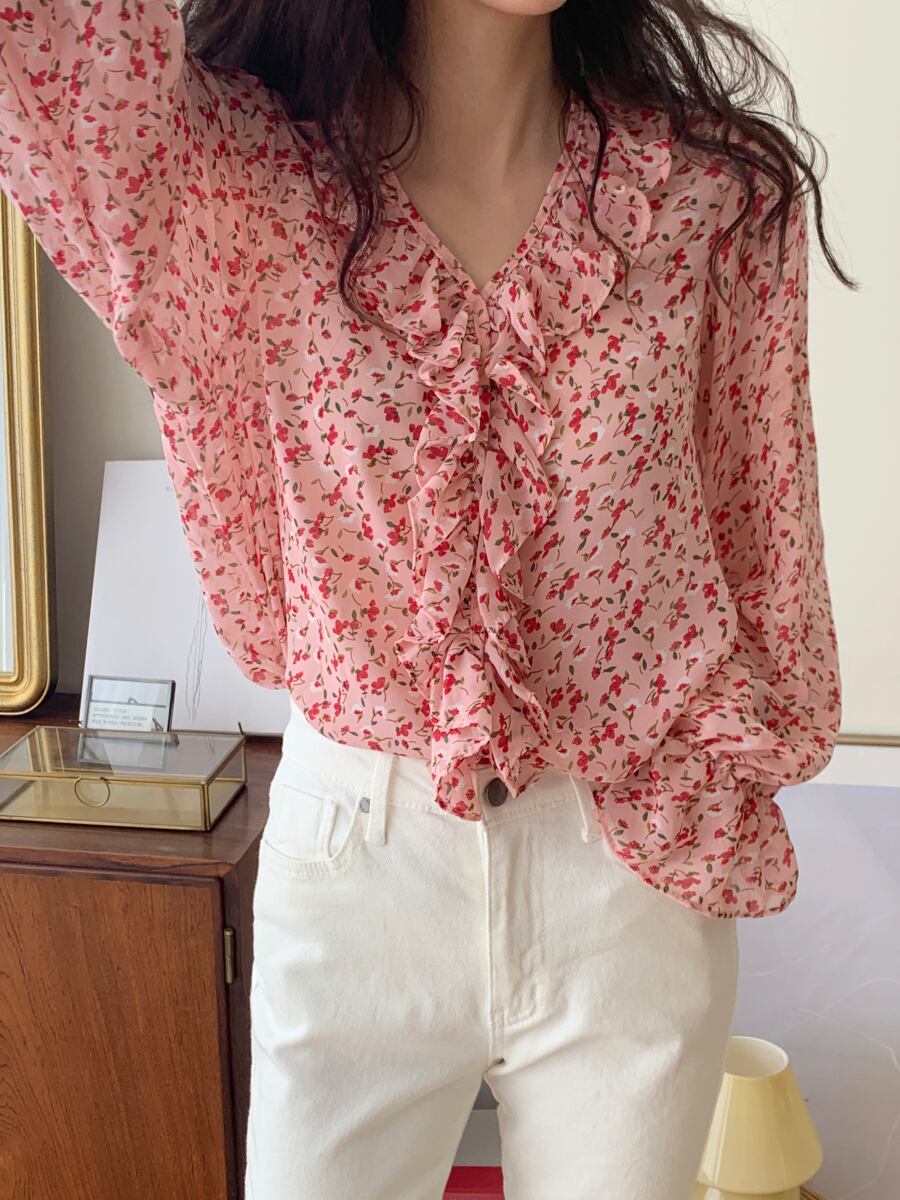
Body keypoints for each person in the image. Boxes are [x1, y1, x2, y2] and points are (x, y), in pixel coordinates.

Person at [0, 0, 847, 1195]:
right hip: (362, 853)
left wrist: (717, 780)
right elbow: (46, 51)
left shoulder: (712, 198)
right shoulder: (240, 184)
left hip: (631, 869)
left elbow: (766, 542)